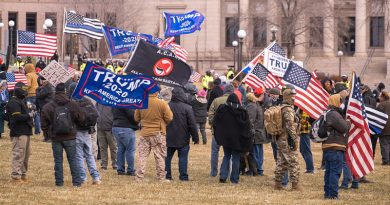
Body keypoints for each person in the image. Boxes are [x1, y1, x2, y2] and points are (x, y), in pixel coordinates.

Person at [41, 83, 84, 187]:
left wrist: (47, 134)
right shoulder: (72, 104)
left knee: (58, 161)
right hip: (70, 136)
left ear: (55, 91)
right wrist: (74, 126)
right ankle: (77, 182)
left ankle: (59, 182)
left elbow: (43, 123)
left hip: (56, 137)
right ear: (65, 91)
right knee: (73, 159)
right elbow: (81, 118)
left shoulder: (48, 106)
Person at [134, 90, 173, 182]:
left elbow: (136, 118)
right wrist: (163, 123)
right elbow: (169, 117)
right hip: (158, 133)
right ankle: (161, 177)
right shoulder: (162, 103)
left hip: (144, 133)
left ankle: (139, 177)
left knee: (142, 156)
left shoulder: (141, 103)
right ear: (157, 92)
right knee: (160, 156)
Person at [214, 93, 253, 184]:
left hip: (226, 138)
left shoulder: (222, 109)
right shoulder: (242, 111)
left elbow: (216, 122)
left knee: (227, 156)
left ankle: (223, 176)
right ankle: (234, 178)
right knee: (235, 158)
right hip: (237, 139)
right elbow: (247, 127)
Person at [68, 84, 101, 185]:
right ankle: (96, 177)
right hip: (87, 131)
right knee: (89, 155)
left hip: (77, 131)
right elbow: (96, 114)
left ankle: (83, 177)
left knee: (79, 156)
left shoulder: (72, 103)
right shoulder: (87, 101)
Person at [165, 88, 199, 181]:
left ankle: (167, 175)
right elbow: (192, 124)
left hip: (169, 137)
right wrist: (195, 138)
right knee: (182, 158)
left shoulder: (167, 106)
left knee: (167, 158)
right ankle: (183, 176)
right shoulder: (187, 108)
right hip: (182, 137)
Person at [323, 94, 351, 199]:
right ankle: (333, 195)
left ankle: (327, 194)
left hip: (328, 146)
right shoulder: (334, 114)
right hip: (335, 146)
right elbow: (344, 128)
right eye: (340, 101)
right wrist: (348, 121)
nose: (342, 103)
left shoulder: (327, 112)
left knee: (329, 172)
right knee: (335, 172)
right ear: (335, 101)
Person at [6, 82, 34, 183]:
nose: (25, 92)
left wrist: (31, 111)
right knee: (19, 153)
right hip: (18, 132)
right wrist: (29, 115)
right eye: (23, 89)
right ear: (17, 89)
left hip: (26, 131)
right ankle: (15, 176)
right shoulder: (13, 102)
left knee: (26, 154)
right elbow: (17, 117)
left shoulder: (22, 101)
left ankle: (23, 174)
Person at [274, 87, 301, 191]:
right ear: (288, 97)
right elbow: (290, 126)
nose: (294, 98)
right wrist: (295, 139)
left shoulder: (281, 107)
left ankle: (277, 184)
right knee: (293, 162)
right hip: (287, 139)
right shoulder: (288, 109)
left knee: (282, 161)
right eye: (292, 96)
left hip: (281, 139)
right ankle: (295, 185)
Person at [208, 84, 235, 177]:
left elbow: (210, 115)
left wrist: (214, 125)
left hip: (217, 130)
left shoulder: (216, 100)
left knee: (215, 151)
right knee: (228, 153)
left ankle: (213, 172)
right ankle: (227, 172)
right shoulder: (235, 101)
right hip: (230, 131)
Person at [246, 88, 270, 176]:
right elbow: (250, 120)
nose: (265, 97)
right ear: (260, 95)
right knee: (256, 153)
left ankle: (258, 170)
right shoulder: (253, 105)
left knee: (258, 153)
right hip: (255, 133)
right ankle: (256, 170)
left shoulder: (257, 104)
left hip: (259, 133)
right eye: (263, 95)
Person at [112, 106, 138, 175]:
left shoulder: (116, 101)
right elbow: (132, 115)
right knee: (130, 150)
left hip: (116, 127)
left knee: (121, 149)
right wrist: (138, 119)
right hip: (125, 127)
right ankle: (130, 170)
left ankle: (120, 169)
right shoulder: (125, 101)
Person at [96, 103, 117, 170]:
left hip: (110, 129)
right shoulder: (98, 102)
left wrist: (113, 125)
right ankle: (104, 165)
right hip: (100, 128)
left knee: (113, 147)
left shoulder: (112, 102)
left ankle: (115, 164)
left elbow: (116, 115)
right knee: (102, 147)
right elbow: (95, 112)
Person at [36, 76, 54, 142]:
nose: (41, 82)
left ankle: (49, 137)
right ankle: (46, 137)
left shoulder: (47, 87)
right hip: (46, 107)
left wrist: (37, 89)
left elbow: (39, 95)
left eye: (42, 80)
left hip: (47, 107)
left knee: (47, 122)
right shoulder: (47, 87)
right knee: (45, 122)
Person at [24, 64, 40, 135]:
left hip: (30, 96)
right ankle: (38, 130)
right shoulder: (36, 75)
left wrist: (22, 89)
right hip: (37, 95)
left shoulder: (28, 75)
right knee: (37, 112)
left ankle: (36, 130)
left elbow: (28, 85)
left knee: (32, 112)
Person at [378, 91, 390, 165]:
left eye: (380, 96)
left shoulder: (381, 105)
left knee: (384, 145)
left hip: (384, 128)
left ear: (383, 97)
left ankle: (386, 161)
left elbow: (377, 117)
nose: (379, 98)